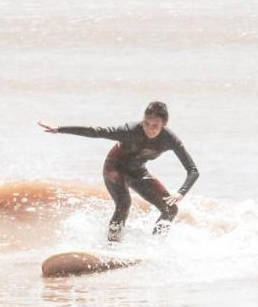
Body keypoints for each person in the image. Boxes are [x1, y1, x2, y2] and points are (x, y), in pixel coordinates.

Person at [38, 101, 199, 241]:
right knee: (124, 203)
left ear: (164, 124)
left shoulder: (170, 139)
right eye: (146, 123)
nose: (150, 129)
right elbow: (96, 131)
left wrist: (181, 193)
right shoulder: (130, 130)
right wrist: (59, 129)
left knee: (170, 209)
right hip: (114, 168)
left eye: (155, 125)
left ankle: (156, 244)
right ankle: (112, 244)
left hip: (138, 172)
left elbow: (193, 170)